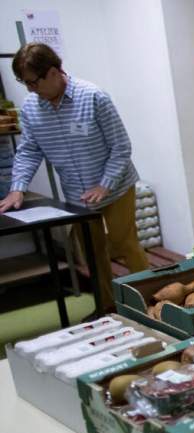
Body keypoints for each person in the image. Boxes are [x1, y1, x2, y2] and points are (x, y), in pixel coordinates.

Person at [0, 43, 147, 313]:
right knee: (92, 252)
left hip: (115, 187)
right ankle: (107, 306)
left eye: (33, 82)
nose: (30, 89)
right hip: (76, 195)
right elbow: (29, 150)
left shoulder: (93, 97)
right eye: (24, 83)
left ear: (54, 72)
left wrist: (105, 184)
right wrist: (17, 188)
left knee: (124, 244)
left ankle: (149, 302)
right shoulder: (31, 109)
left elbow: (121, 147)